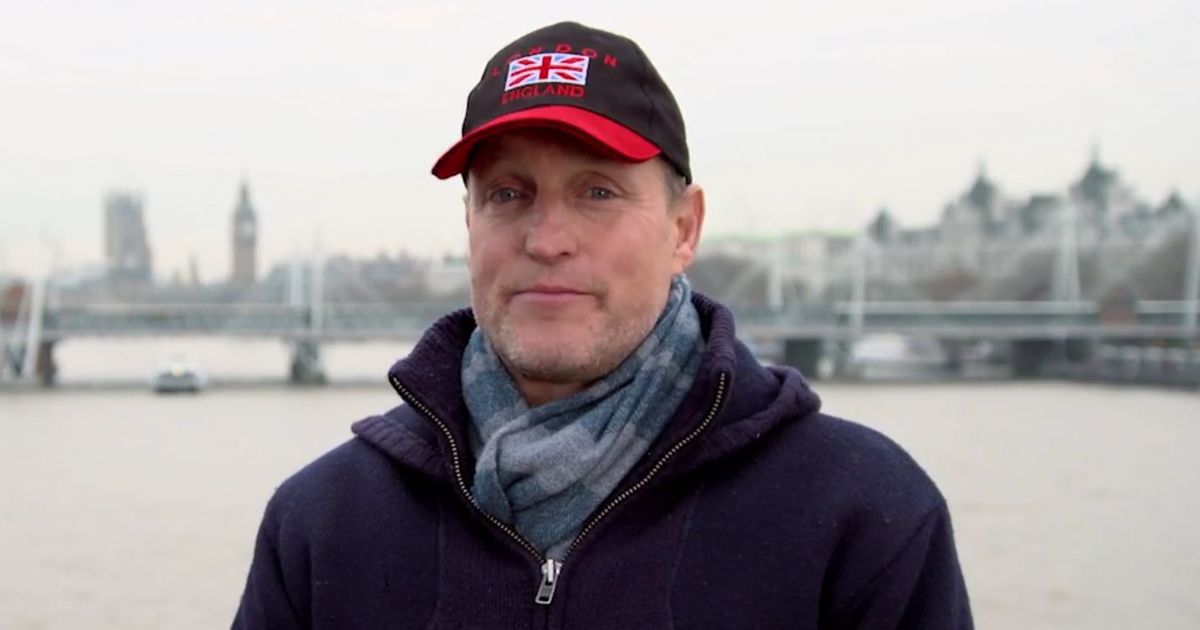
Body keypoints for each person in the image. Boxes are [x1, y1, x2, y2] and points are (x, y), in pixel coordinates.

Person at [233, 21, 972, 629]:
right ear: (469, 223)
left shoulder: (861, 516)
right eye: (508, 194)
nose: (547, 239)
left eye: (598, 192)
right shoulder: (322, 527)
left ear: (684, 228)